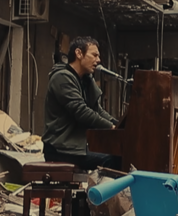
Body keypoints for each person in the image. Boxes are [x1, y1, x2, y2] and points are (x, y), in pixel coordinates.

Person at [43, 36, 121, 170]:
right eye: (94, 55)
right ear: (79, 53)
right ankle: (103, 191)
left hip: (75, 147)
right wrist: (111, 128)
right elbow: (81, 111)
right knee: (111, 160)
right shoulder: (62, 77)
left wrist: (118, 125)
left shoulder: (85, 79)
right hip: (60, 148)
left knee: (120, 155)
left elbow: (97, 110)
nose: (98, 60)